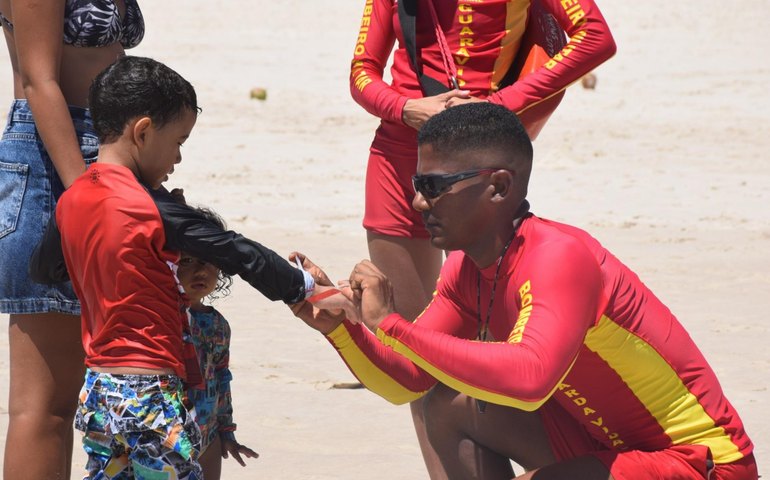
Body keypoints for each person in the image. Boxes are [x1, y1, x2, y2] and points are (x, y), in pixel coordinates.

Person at [293, 103, 758, 479]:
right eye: (417, 184)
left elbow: (531, 381)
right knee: (445, 406)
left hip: (701, 463)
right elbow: (406, 383)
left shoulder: (559, 257)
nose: (417, 202)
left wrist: (392, 325)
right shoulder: (465, 269)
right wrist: (342, 329)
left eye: (433, 186)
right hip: (599, 444)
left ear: (498, 186)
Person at [349, 1, 616, 475]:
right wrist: (405, 108)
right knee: (409, 346)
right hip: (397, 156)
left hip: (477, 164)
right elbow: (362, 72)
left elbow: (596, 38)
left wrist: (498, 107)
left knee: (491, 350)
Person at [30, 55, 327, 479]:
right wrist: (302, 286)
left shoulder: (72, 199)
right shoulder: (152, 208)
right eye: (178, 141)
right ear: (143, 132)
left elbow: (47, 270)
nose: (178, 158)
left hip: (99, 392)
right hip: (150, 392)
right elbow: (236, 251)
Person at [0, 1, 144, 478]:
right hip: (59, 158)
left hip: (103, 151)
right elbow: (38, 81)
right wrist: (86, 190)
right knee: (44, 404)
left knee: (69, 399)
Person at [176, 206, 258, 479]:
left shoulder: (218, 326)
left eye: (210, 262)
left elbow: (222, 378)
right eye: (188, 261)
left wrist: (226, 431)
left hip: (208, 434)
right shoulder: (161, 319)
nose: (201, 271)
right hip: (167, 433)